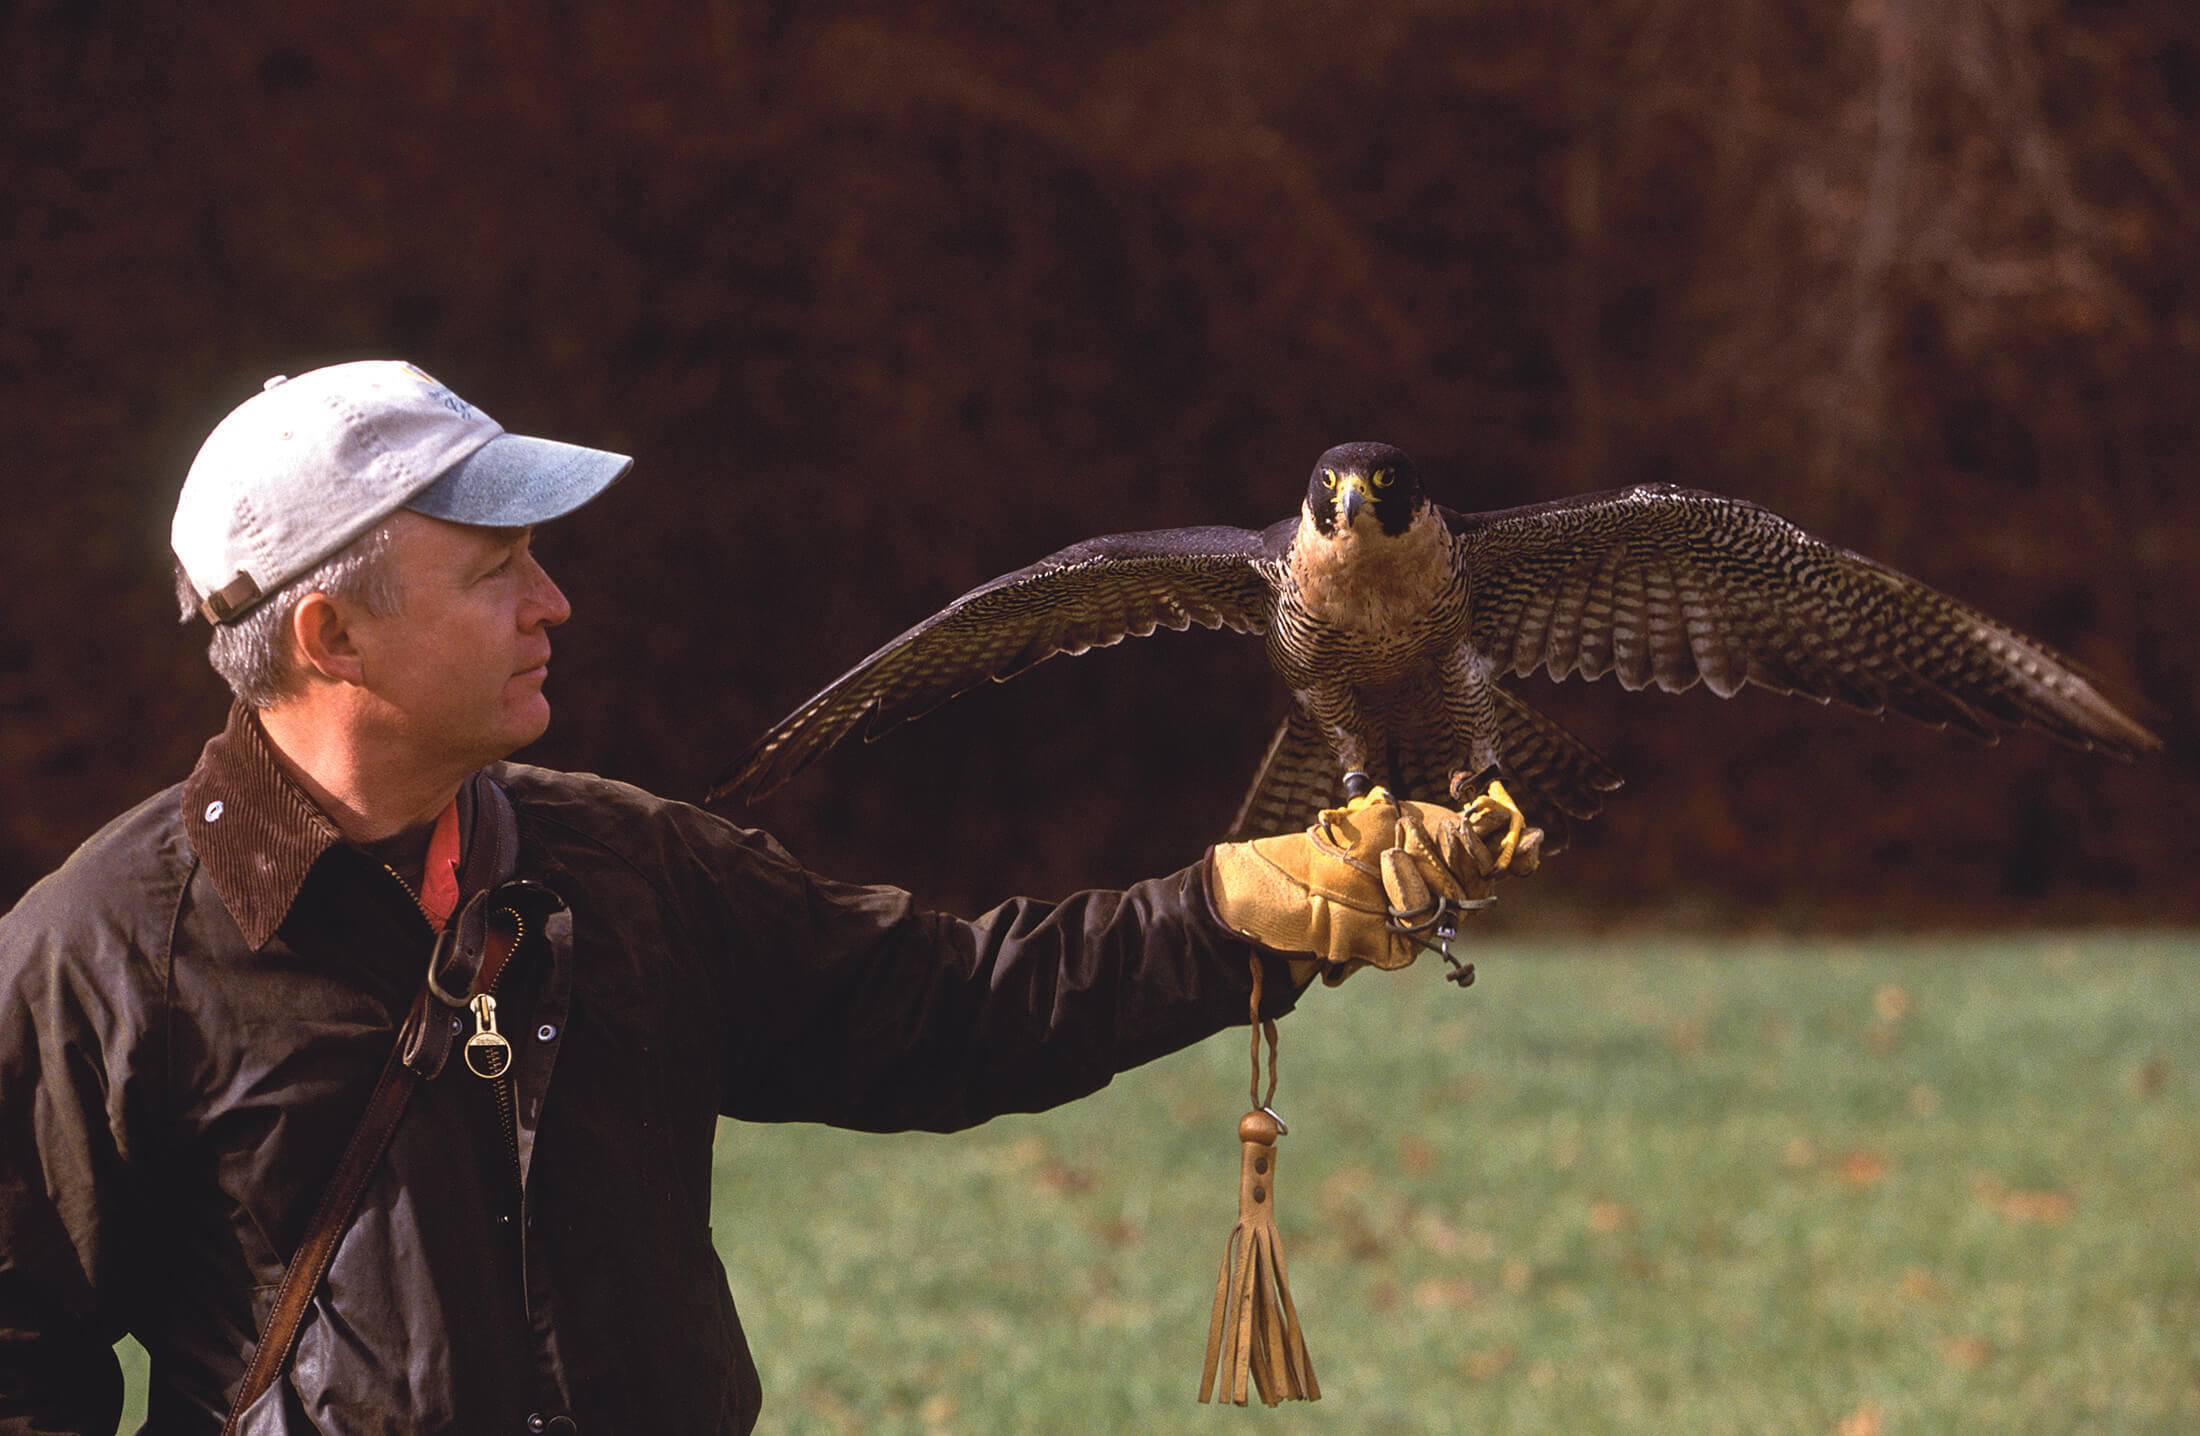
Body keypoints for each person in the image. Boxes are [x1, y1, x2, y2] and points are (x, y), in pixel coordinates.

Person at [0, 361, 1519, 1434]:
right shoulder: (100, 961)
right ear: (332, 631)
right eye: (498, 572)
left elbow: (948, 1009)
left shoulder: (618, 868)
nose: (555, 602)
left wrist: (1232, 914)